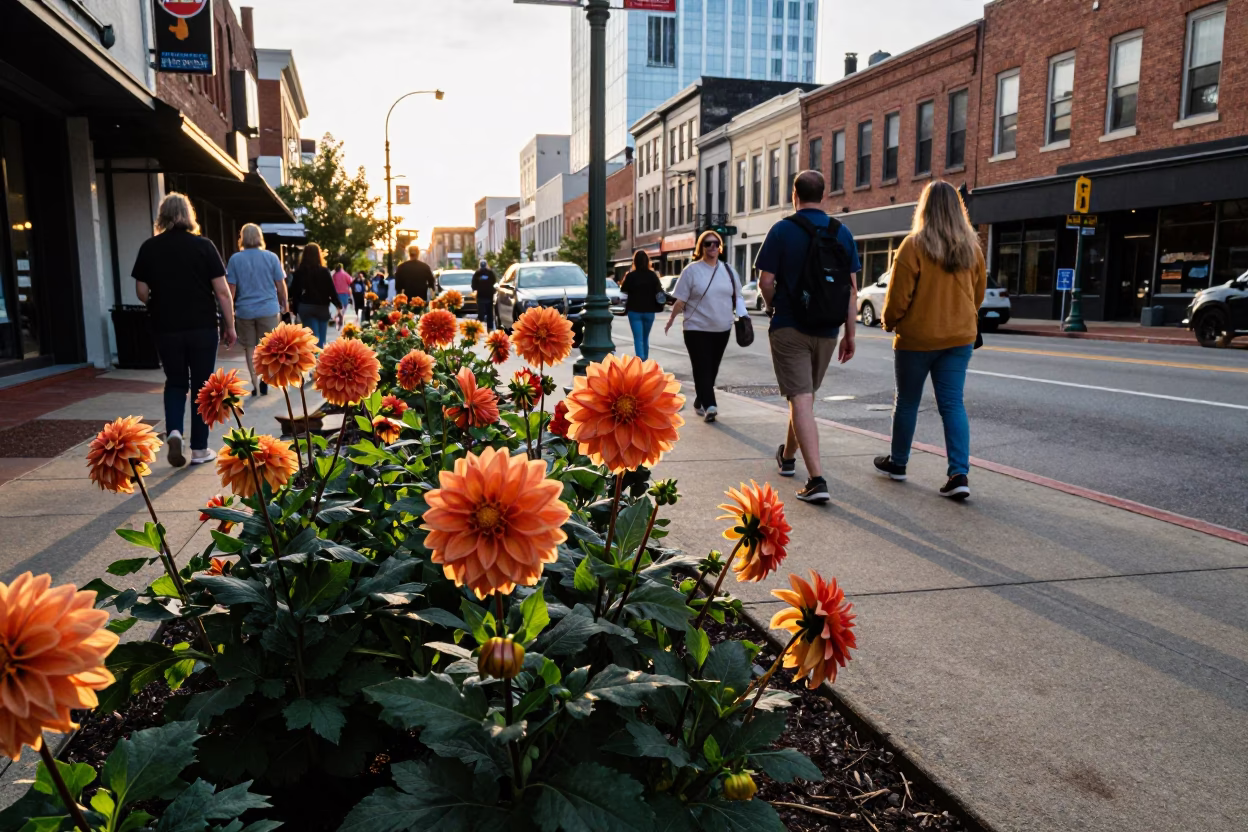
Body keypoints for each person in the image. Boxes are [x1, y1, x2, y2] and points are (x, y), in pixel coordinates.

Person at [876, 181, 986, 500]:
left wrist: (890, 322)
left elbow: (898, 297)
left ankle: (898, 462)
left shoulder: (913, 245)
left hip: (917, 339)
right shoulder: (972, 248)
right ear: (957, 209)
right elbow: (977, 296)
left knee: (907, 401)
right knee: (952, 404)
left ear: (923, 207)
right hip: (959, 338)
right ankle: (958, 473)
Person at [757, 170, 860, 504]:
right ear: (824, 195)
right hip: (828, 330)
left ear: (793, 195)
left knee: (801, 399)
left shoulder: (782, 230)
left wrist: (775, 308)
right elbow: (852, 291)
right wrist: (850, 334)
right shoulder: (841, 233)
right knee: (804, 397)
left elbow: (766, 281)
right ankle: (787, 457)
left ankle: (817, 480)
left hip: (790, 326)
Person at [131, 192, 236, 468]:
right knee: (203, 387)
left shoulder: (149, 247)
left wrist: (157, 300)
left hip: (166, 327)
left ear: (162, 216)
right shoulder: (204, 246)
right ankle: (199, 450)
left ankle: (175, 430)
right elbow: (223, 292)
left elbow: (141, 291)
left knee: (176, 382)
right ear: (189, 215)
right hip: (202, 326)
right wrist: (230, 325)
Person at [664, 230, 743, 423]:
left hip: (722, 328)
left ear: (720, 246)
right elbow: (680, 300)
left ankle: (700, 399)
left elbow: (738, 296)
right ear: (701, 247)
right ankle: (710, 405)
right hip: (696, 328)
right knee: (702, 367)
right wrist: (671, 319)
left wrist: (744, 316)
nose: (712, 247)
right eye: (708, 244)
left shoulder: (728, 270)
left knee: (712, 368)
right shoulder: (691, 271)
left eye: (716, 243)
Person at [226, 223, 288, 397]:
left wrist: (229, 311)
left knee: (250, 348)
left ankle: (254, 382)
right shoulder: (271, 257)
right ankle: (265, 379)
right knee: (267, 348)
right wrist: (284, 302)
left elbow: (231, 289)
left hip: (244, 310)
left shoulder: (235, 259)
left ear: (242, 238)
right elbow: (280, 284)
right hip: (268, 309)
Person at [289, 243, 341, 348]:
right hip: (322, 308)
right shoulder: (324, 271)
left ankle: (313, 361)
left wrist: (295, 309)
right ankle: (319, 360)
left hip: (306, 308)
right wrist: (338, 305)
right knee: (321, 340)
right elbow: (331, 290)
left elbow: (293, 292)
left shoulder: (299, 272)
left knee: (312, 339)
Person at [620, 250, 664, 361]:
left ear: (634, 261)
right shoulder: (652, 276)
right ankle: (645, 360)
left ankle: (641, 360)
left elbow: (623, 290)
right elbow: (659, 292)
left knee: (638, 338)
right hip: (649, 311)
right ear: (647, 261)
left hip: (634, 311)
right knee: (645, 337)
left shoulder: (630, 276)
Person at [471, 261, 498, 330]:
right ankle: (490, 327)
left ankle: (480, 328)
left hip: (481, 296)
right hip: (489, 295)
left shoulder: (477, 273)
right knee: (489, 313)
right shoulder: (490, 273)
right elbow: (494, 281)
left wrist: (476, 289)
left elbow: (473, 284)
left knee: (481, 313)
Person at [331, 262, 352, 327]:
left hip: (336, 293)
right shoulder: (345, 274)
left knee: (338, 306)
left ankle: (339, 314)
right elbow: (350, 281)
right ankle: (341, 315)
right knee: (344, 306)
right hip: (344, 292)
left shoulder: (334, 274)